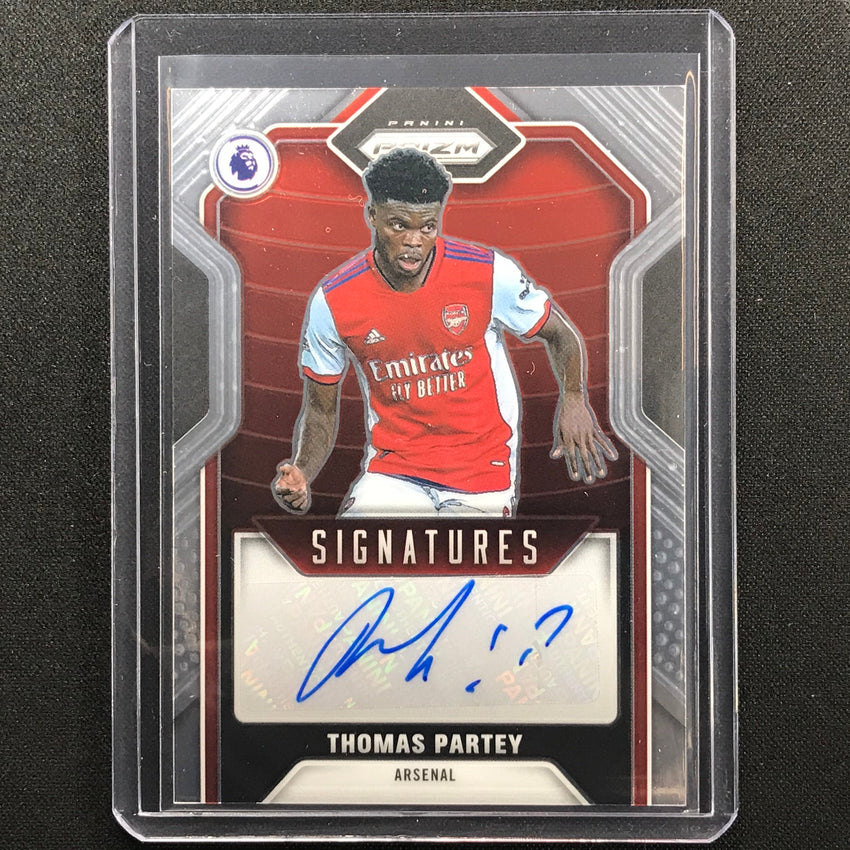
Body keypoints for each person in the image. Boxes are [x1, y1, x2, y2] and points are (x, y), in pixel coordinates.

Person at [272, 148, 616, 517]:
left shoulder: (487, 273)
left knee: (453, 553)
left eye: (427, 227)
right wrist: (303, 470)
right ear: (372, 216)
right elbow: (320, 409)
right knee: (362, 549)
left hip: (480, 474)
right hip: (395, 473)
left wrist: (574, 398)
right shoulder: (334, 300)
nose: (414, 241)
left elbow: (560, 334)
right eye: (399, 225)